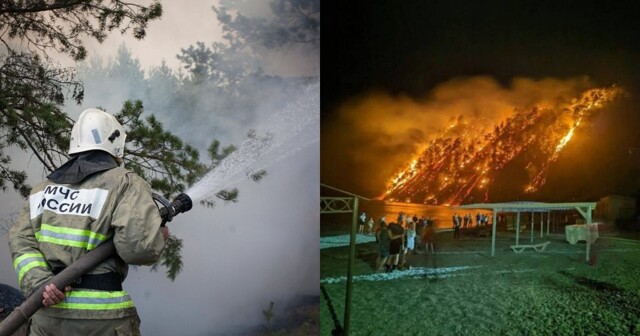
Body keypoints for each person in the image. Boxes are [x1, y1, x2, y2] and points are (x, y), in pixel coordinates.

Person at [8, 108, 168, 335]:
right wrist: (156, 237)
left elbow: (20, 241)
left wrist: (41, 284)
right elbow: (138, 250)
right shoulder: (125, 183)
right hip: (103, 320)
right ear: (116, 143)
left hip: (48, 316)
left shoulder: (42, 191)